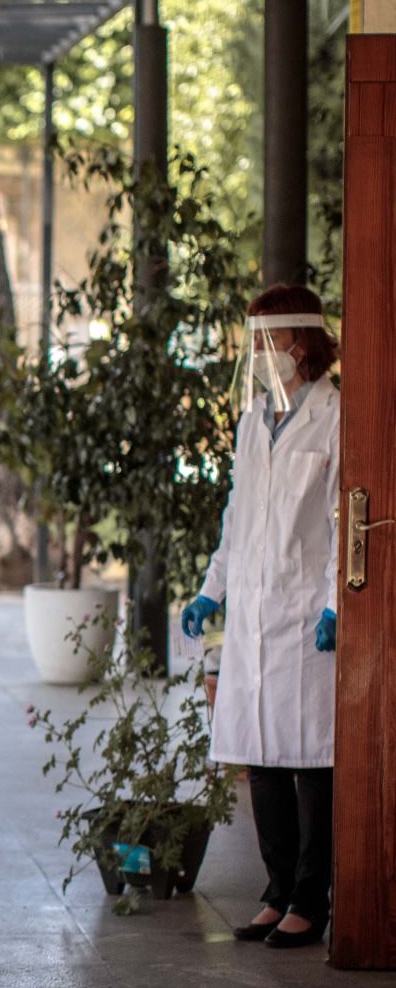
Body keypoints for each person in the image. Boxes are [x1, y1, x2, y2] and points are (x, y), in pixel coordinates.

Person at [181, 285, 340, 950]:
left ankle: (312, 897)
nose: (256, 355)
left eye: (264, 342)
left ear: (297, 344)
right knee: (262, 757)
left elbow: (343, 518)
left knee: (311, 759)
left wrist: (336, 600)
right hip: (251, 608)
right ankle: (276, 892)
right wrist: (211, 589)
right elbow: (236, 518)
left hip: (305, 610)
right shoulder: (253, 421)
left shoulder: (337, 416)